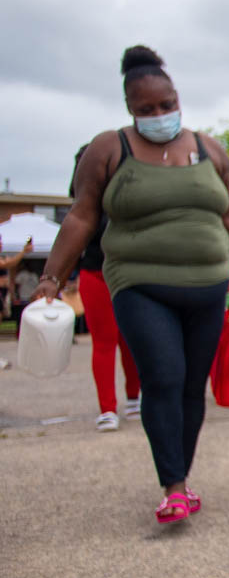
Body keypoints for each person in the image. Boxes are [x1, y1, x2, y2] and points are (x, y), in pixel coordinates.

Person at [31, 45, 229, 525]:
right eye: (146, 109)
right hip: (139, 283)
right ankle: (172, 485)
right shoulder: (108, 150)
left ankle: (181, 480)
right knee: (164, 377)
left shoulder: (209, 149)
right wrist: (51, 278)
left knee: (193, 386)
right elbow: (82, 216)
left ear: (177, 98)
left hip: (208, 284)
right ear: (130, 108)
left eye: (166, 105)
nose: (159, 116)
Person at [69, 144, 142, 433]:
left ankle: (134, 399)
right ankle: (108, 408)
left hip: (128, 274)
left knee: (131, 340)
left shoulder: (130, 195)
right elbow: (72, 241)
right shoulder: (83, 204)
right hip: (96, 275)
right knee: (104, 341)